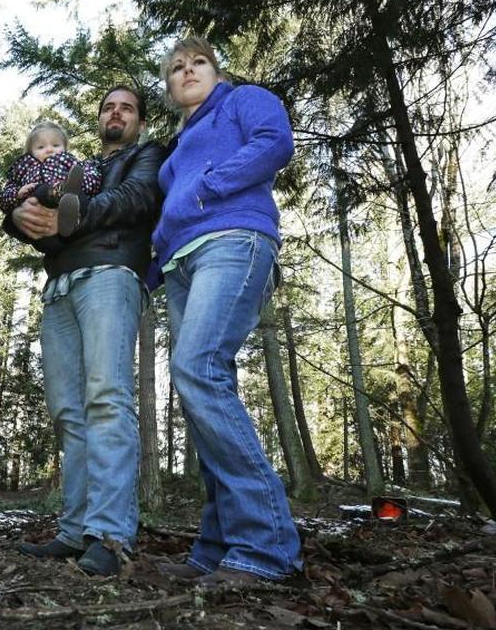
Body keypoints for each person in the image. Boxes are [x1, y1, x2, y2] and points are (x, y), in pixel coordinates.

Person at [152, 37, 302, 585]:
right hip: (181, 265)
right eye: (176, 68)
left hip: (234, 240)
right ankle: (215, 548)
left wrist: (210, 186)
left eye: (198, 63)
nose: (187, 71)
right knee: (200, 396)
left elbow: (274, 142)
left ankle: (266, 549)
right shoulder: (175, 147)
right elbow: (168, 214)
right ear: (169, 87)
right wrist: (153, 267)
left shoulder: (244, 101)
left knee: (198, 369)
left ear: (217, 73)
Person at [4, 85, 165, 576]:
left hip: (111, 275)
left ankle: (111, 536)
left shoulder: (147, 155)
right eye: (108, 107)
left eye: (128, 108)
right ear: (98, 118)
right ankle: (74, 531)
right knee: (68, 413)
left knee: (107, 399)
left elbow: (136, 200)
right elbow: (30, 212)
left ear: (138, 120)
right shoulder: (66, 166)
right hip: (60, 287)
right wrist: (19, 216)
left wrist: (69, 216)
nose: (117, 114)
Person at [0, 121, 101, 237]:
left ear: (65, 148)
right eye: (41, 147)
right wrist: (16, 194)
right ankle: (58, 193)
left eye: (56, 145)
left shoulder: (69, 162)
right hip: (38, 212)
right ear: (31, 152)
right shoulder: (23, 169)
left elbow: (93, 179)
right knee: (40, 190)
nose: (49, 150)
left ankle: (64, 198)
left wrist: (81, 182)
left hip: (71, 207)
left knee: (77, 200)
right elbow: (3, 200)